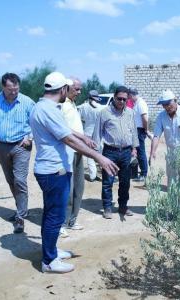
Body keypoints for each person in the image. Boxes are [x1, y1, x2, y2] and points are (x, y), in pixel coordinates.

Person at [30, 71, 118, 273]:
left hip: (53, 169)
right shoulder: (48, 110)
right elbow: (67, 139)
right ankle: (49, 261)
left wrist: (84, 139)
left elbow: (68, 133)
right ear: (62, 90)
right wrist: (99, 157)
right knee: (55, 217)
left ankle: (51, 251)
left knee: (51, 215)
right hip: (54, 171)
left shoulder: (45, 107)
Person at [0, 72, 35, 234]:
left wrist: (30, 137)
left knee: (19, 180)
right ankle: (21, 209)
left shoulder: (27, 102)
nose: (14, 92)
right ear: (3, 87)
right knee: (11, 180)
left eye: (16, 89)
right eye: (10, 89)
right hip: (2, 147)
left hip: (21, 146)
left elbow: (37, 121)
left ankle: (20, 217)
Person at [93, 86, 139, 219]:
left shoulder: (130, 113)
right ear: (114, 97)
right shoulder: (104, 112)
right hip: (110, 152)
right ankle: (107, 207)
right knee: (108, 181)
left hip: (126, 152)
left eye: (125, 99)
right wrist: (96, 154)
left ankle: (123, 206)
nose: (122, 101)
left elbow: (134, 132)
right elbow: (97, 134)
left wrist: (134, 148)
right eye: (119, 99)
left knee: (125, 182)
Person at [60, 77, 85, 237]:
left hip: (78, 150)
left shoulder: (72, 103)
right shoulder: (61, 105)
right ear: (67, 88)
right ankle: (61, 223)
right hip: (67, 150)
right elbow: (63, 128)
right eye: (76, 89)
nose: (79, 92)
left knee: (79, 186)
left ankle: (72, 220)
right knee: (66, 189)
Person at [77, 90, 104, 182]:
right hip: (99, 134)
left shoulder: (83, 107)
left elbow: (79, 118)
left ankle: (92, 176)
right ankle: (105, 174)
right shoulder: (101, 108)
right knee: (101, 154)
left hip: (87, 133)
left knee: (90, 155)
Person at [129, 88, 152, 182]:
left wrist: (146, 130)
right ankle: (140, 172)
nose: (129, 98)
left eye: (129, 96)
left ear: (132, 94)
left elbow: (145, 119)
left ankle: (143, 173)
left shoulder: (141, 103)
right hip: (136, 130)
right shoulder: (137, 103)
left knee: (141, 152)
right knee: (137, 152)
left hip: (140, 130)